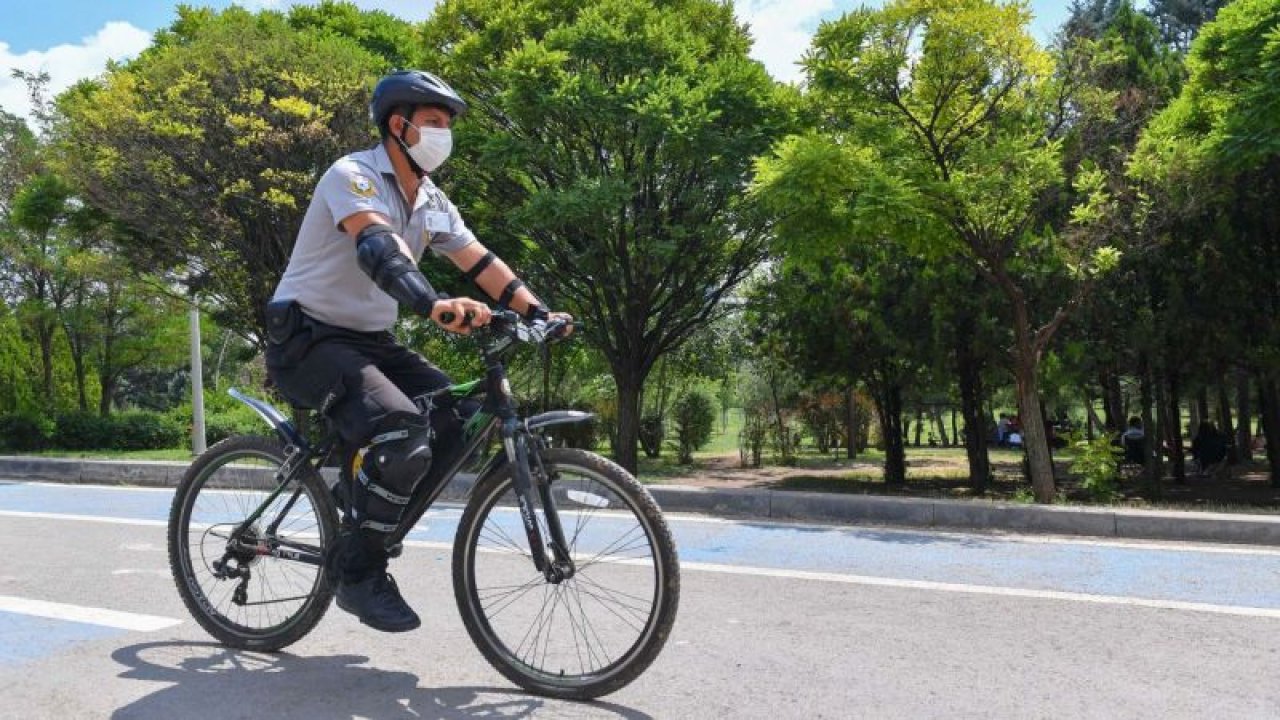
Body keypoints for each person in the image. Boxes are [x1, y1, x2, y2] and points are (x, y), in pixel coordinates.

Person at [264, 70, 572, 633]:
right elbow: (378, 247)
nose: (443, 135)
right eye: (434, 123)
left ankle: (362, 510)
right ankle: (359, 574)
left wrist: (538, 312)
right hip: (308, 338)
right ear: (398, 125)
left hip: (369, 341)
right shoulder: (352, 175)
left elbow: (478, 260)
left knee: (456, 418)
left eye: (447, 126)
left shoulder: (431, 198)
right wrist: (432, 304)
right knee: (405, 426)